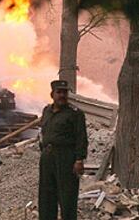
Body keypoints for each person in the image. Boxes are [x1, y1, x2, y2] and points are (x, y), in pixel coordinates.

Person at [38, 80, 88, 220]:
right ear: (52, 94)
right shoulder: (46, 111)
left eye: (64, 92)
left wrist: (79, 159)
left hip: (66, 157)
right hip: (47, 157)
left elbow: (81, 138)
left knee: (67, 197)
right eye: (59, 92)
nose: (62, 95)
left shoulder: (75, 114)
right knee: (46, 196)